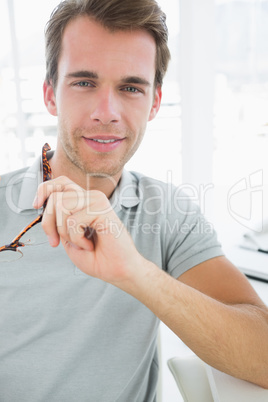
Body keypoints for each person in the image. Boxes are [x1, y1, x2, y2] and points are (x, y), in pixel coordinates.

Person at [0, 0, 267, 400]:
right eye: (84, 83)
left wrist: (134, 272)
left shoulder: (171, 214)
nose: (107, 112)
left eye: (130, 88)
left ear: (154, 102)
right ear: (50, 95)